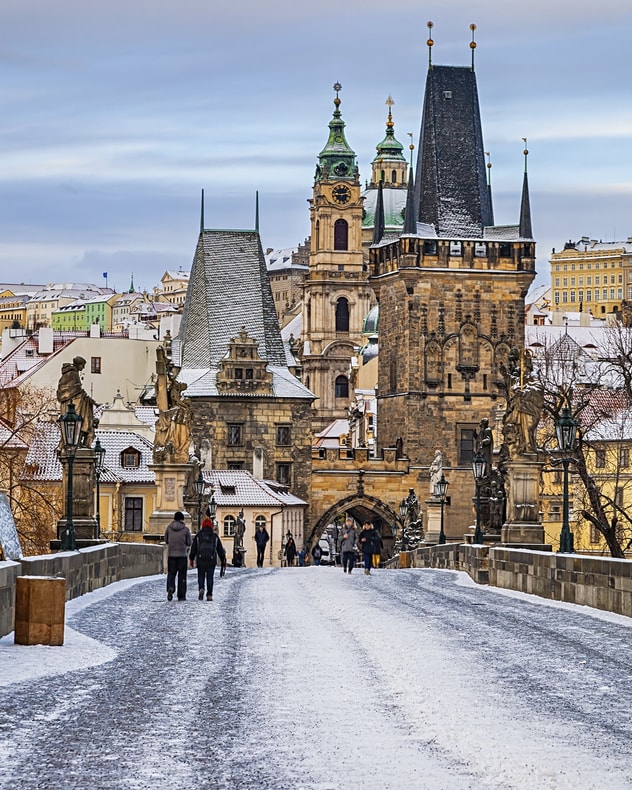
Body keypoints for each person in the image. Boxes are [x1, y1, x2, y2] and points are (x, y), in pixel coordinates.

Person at [56, 356, 97, 447]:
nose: (83, 367)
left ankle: (77, 441)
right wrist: (81, 393)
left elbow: (76, 389)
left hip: (75, 401)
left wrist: (87, 398)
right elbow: (69, 389)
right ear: (79, 364)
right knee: (78, 420)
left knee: (81, 419)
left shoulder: (73, 373)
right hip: (72, 403)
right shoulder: (72, 373)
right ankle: (74, 441)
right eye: (83, 365)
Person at [189, 517, 226, 601]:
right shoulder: (214, 536)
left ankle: (201, 588)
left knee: (201, 576)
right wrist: (223, 559)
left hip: (201, 559)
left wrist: (191, 558)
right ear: (211, 526)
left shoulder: (198, 536)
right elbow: (220, 549)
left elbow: (193, 548)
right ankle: (209, 594)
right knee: (210, 577)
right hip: (211, 560)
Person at [164, 511, 192, 601]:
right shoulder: (186, 530)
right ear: (182, 519)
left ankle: (170, 588)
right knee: (182, 576)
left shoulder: (169, 528)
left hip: (171, 555)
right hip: (182, 556)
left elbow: (166, 540)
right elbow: (189, 542)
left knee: (171, 574)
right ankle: (181, 595)